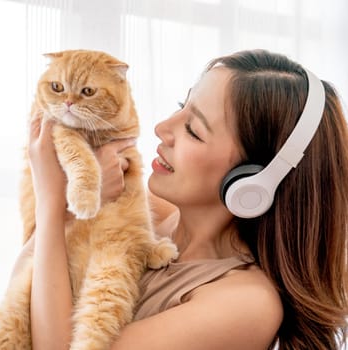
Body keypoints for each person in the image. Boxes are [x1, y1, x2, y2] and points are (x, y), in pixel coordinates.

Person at [24, 49, 348, 349]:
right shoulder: (143, 214)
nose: (162, 128)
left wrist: (53, 203)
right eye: (182, 106)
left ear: (253, 181)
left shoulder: (246, 304)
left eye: (193, 129)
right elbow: (24, 296)